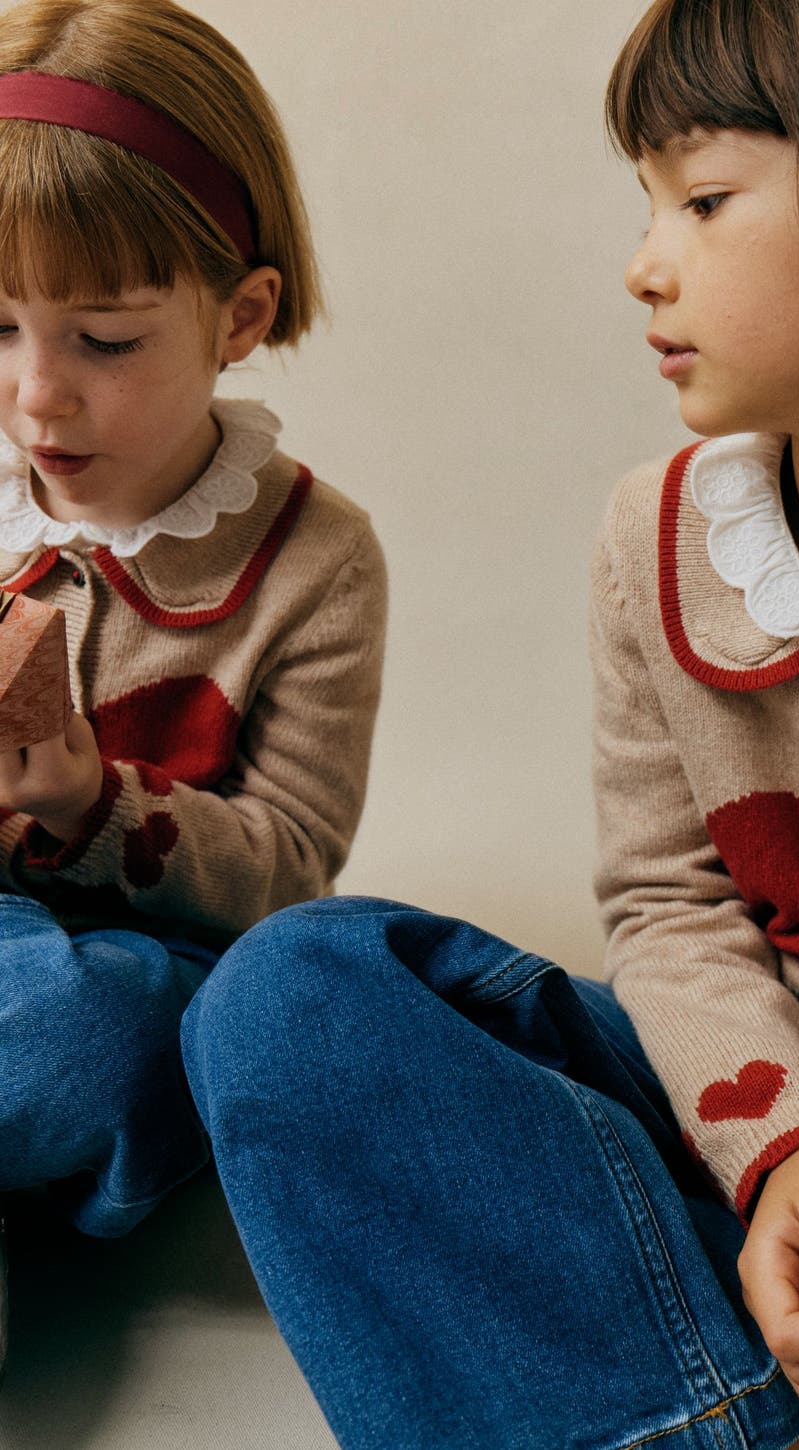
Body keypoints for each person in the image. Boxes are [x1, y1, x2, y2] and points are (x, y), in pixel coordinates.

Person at [181, 0, 799, 1446]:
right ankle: (773, 1401)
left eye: (701, 201)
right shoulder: (655, 542)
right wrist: (783, 1153)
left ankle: (784, 1355)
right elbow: (667, 901)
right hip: (734, 1107)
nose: (645, 266)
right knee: (283, 1003)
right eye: (651, 206)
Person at [0, 0, 385, 1370]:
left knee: (81, 1033)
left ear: (242, 315)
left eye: (104, 340)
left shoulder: (316, 561)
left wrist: (93, 802)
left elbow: (291, 875)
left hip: (141, 975)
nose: (41, 401)